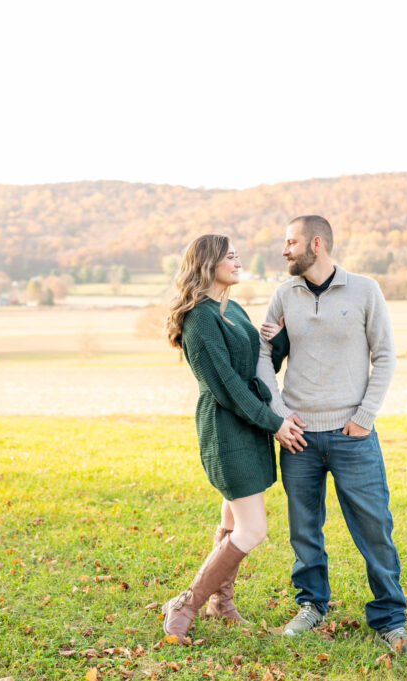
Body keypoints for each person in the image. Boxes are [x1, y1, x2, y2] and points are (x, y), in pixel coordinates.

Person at [255, 215, 407, 654]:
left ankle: (389, 618)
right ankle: (311, 605)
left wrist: (365, 416)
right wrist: (280, 415)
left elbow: (385, 356)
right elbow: (262, 356)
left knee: (374, 528)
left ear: (315, 243)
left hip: (353, 436)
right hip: (299, 438)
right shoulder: (284, 294)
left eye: (290, 243)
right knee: (304, 530)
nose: (284, 251)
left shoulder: (365, 290)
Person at [162, 234, 303, 639]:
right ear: (207, 264)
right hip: (227, 429)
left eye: (237, 253)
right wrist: (274, 422)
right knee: (252, 529)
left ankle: (220, 602)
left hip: (249, 424)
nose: (237, 259)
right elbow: (226, 385)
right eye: (229, 255)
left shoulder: (232, 308)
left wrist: (278, 341)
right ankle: (186, 603)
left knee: (231, 517)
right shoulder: (199, 318)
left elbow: (255, 368)